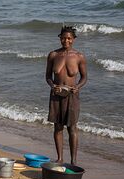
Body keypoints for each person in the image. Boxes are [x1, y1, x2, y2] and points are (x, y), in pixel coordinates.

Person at [45, 26, 87, 165]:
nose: (66, 40)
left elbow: (84, 77)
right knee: (57, 127)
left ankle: (73, 161)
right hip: (56, 95)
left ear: (73, 39)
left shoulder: (79, 56)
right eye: (63, 38)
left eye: (69, 38)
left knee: (72, 128)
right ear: (60, 38)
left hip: (72, 95)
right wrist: (53, 86)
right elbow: (48, 77)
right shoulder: (53, 55)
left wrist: (78, 87)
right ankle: (60, 158)